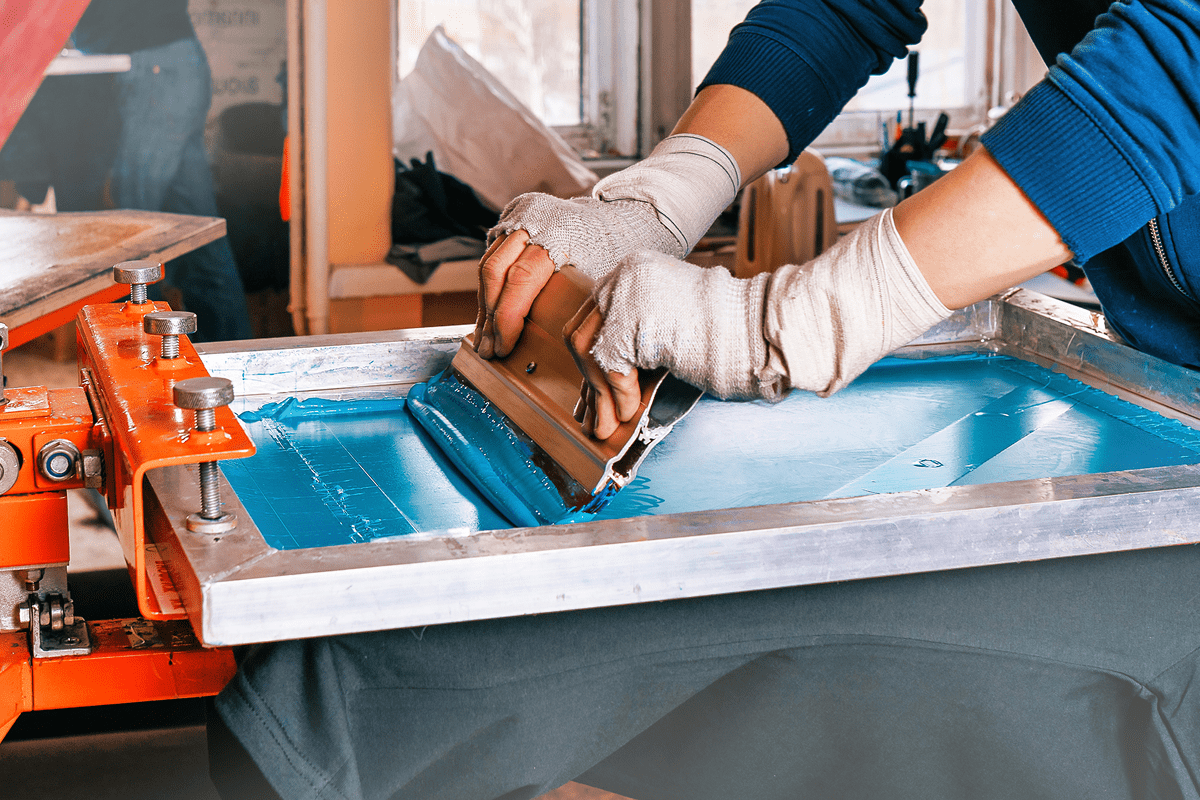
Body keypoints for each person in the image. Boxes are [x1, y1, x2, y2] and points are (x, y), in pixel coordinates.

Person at [209, 2, 1200, 799]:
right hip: (1157, 379)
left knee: (389, 688)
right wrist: (663, 192)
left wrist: (826, 310)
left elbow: (1182, 57)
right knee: (366, 678)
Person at [70, 0, 254, 342]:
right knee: (199, 233)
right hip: (171, 65)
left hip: (158, 69)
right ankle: (226, 355)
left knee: (135, 230)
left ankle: (135, 356)